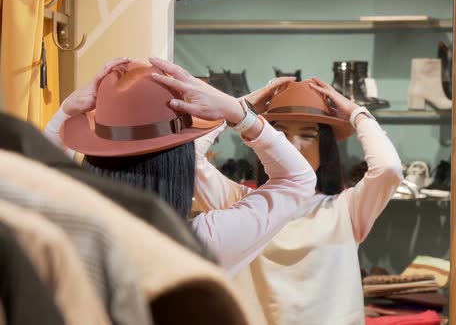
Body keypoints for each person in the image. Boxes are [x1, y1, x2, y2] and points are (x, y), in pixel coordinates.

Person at [43, 57, 316, 275]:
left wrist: (67, 109)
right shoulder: (201, 242)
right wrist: (237, 112)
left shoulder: (63, 230)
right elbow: (297, 180)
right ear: (180, 163)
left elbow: (29, 174)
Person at [193, 78, 404, 325]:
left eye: (308, 135)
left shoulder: (345, 209)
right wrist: (238, 110)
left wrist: (357, 113)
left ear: (324, 147)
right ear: (262, 141)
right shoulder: (241, 204)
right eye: (280, 134)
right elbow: (190, 159)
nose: (292, 145)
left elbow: (388, 168)